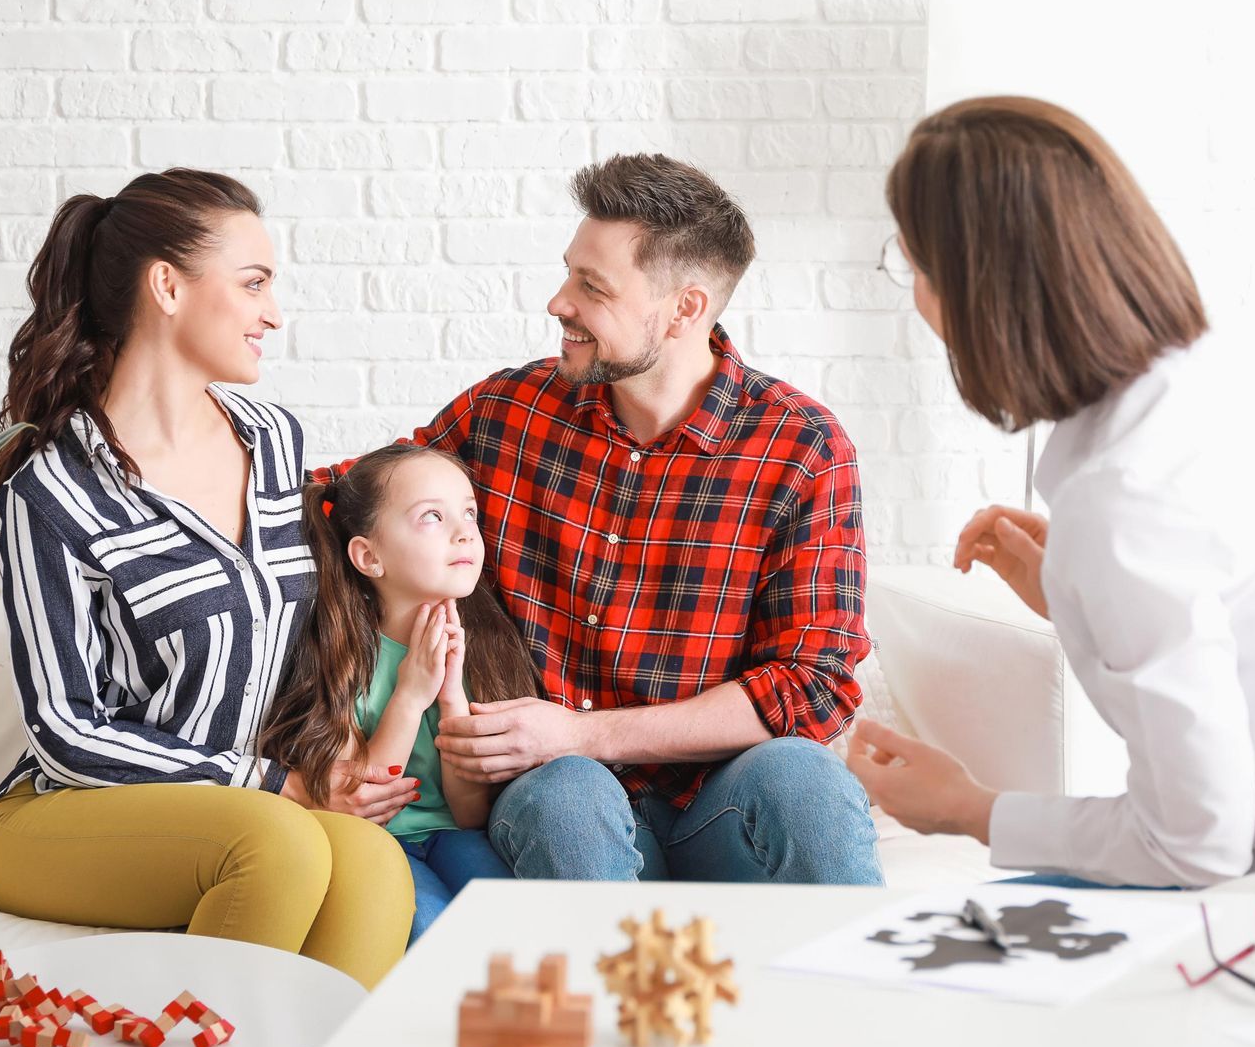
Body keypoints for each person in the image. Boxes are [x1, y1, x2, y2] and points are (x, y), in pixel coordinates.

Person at [846, 97, 1255, 887]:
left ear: (980, 291)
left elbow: (1192, 847)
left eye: (916, 267)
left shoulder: (1122, 498)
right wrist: (1075, 594)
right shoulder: (1231, 390)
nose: (918, 296)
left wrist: (968, 807)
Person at [318, 152, 881, 886]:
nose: (559, 302)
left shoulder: (802, 448)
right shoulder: (508, 413)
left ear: (686, 309)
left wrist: (580, 733)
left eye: (593, 286)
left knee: (803, 781)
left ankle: (863, 995)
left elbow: (814, 685)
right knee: (570, 793)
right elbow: (346, 498)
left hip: (717, 803)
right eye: (568, 274)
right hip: (556, 804)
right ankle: (601, 1000)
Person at [0, 170, 415, 987]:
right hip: (65, 812)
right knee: (274, 845)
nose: (273, 313)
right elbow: (68, 731)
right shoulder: (53, 491)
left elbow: (301, 639)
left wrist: (331, 752)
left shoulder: (273, 443)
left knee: (371, 865)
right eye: (254, 284)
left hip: (249, 807)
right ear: (167, 287)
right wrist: (272, 783)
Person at [260, 445, 543, 943]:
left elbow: (470, 813)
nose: (464, 532)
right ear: (369, 557)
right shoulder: (342, 652)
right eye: (432, 516)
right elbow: (365, 800)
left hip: (454, 833)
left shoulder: (487, 648)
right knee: (429, 931)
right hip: (376, 843)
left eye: (469, 514)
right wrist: (410, 696)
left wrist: (452, 696)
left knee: (513, 923)